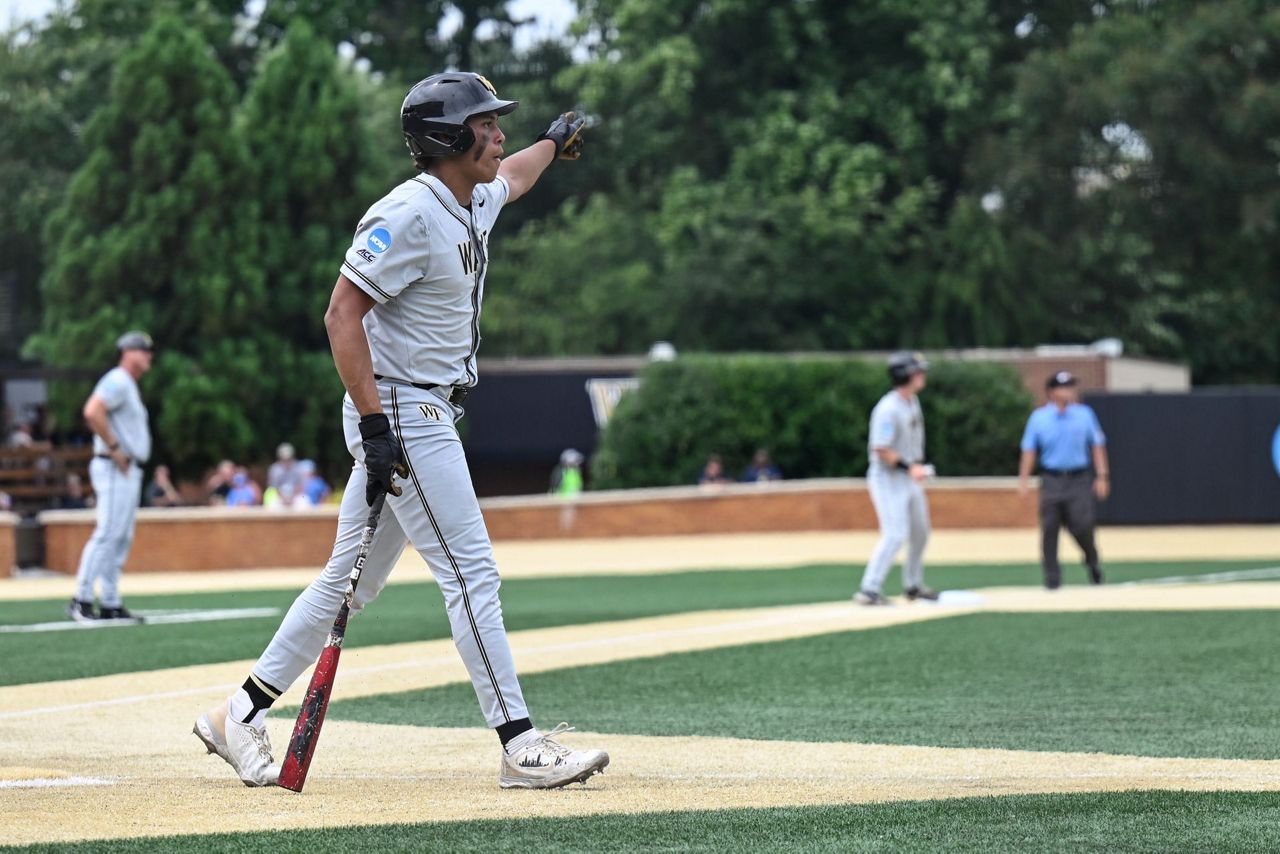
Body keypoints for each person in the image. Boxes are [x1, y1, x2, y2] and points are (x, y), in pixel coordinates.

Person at [194, 72, 607, 790]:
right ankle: (518, 742)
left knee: (343, 588)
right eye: (486, 122)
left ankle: (239, 713)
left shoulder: (470, 196)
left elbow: (514, 175)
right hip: (404, 412)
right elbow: (341, 314)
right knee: (472, 571)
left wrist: (552, 140)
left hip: (423, 409)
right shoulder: (409, 212)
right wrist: (375, 425)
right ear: (447, 137)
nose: (499, 133)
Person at [67, 331, 153, 622]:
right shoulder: (117, 379)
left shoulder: (126, 384)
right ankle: (81, 598)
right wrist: (114, 447)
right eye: (143, 350)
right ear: (127, 352)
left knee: (120, 537)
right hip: (115, 466)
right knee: (107, 534)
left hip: (126, 469)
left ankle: (111, 602)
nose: (148, 355)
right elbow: (93, 411)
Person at [855, 352, 937, 605]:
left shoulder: (911, 401)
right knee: (895, 533)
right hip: (888, 478)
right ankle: (870, 587)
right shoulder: (888, 408)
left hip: (908, 476)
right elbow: (881, 448)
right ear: (905, 375)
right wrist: (909, 467)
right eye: (917, 371)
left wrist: (913, 469)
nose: (922, 375)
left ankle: (912, 584)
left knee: (921, 531)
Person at [1018, 371, 1110, 589]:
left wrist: (1103, 476)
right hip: (1052, 478)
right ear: (1051, 392)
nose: (1068, 391)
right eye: (1063, 387)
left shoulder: (1085, 414)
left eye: (1071, 386)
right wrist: (1023, 479)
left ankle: (1092, 561)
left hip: (1078, 478)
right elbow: (1029, 450)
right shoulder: (1039, 418)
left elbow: (1097, 445)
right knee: (1050, 527)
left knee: (1082, 525)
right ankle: (1052, 577)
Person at [266, 442, 305, 507]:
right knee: (272, 505)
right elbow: (274, 488)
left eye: (288, 458)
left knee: (304, 503)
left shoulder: (298, 467)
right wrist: (284, 499)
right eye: (284, 458)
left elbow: (300, 486)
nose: (286, 460)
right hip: (279, 497)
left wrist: (292, 498)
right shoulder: (274, 469)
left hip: (295, 497)